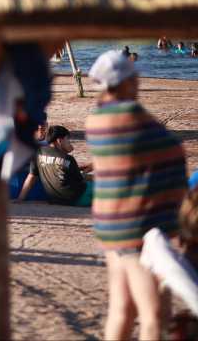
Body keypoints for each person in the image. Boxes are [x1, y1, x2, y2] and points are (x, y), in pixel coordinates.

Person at [85, 50, 189, 340]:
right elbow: (171, 149)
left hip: (110, 226)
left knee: (122, 309)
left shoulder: (96, 119)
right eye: (135, 77)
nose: (139, 81)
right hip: (137, 229)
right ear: (126, 82)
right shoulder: (130, 118)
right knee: (154, 314)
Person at [16, 126, 93, 206]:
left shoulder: (38, 153)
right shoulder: (68, 159)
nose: (69, 142)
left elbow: (31, 176)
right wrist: (87, 171)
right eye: (68, 139)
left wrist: (20, 198)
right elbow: (80, 181)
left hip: (54, 199)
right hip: (75, 199)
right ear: (59, 141)